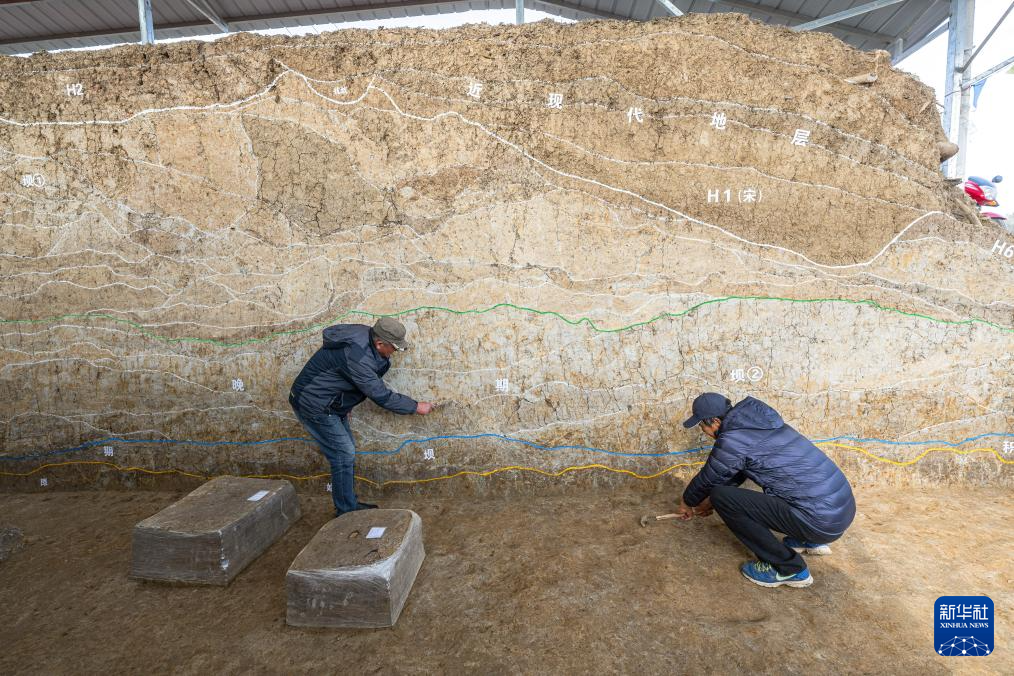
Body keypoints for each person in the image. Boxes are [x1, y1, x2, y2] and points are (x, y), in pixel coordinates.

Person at [676, 393, 856, 588]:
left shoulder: (733, 439)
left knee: (721, 497)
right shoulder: (763, 425)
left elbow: (709, 478)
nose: (704, 431)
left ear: (715, 422)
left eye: (702, 426)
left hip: (819, 523)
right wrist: (707, 502)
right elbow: (735, 471)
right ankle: (807, 541)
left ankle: (789, 568)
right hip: (840, 514)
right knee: (720, 495)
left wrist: (688, 501)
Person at [289, 317, 434, 516]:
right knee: (343, 454)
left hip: (329, 402)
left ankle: (348, 505)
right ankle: (346, 511)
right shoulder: (359, 357)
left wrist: (345, 404)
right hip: (314, 404)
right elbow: (380, 395)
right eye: (394, 348)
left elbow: (344, 377)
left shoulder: (366, 338)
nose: (395, 352)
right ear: (380, 343)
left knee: (345, 453)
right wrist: (415, 406)